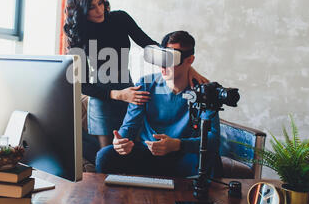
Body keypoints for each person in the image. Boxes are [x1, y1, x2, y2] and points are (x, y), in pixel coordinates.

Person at [63, 0, 209, 153]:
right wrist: (118, 94)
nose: (99, 10)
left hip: (128, 90)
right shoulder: (77, 34)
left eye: (100, 3)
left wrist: (187, 67)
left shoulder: (120, 19)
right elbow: (82, 84)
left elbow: (151, 46)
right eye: (92, 7)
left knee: (129, 149)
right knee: (108, 155)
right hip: (102, 99)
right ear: (80, 10)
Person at [95, 31, 222, 178]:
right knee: (105, 156)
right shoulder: (146, 84)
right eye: (163, 57)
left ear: (190, 60)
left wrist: (178, 144)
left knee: (212, 160)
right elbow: (129, 127)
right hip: (147, 155)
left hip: (183, 156)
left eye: (171, 58)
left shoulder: (205, 92)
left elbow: (214, 140)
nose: (163, 65)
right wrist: (120, 142)